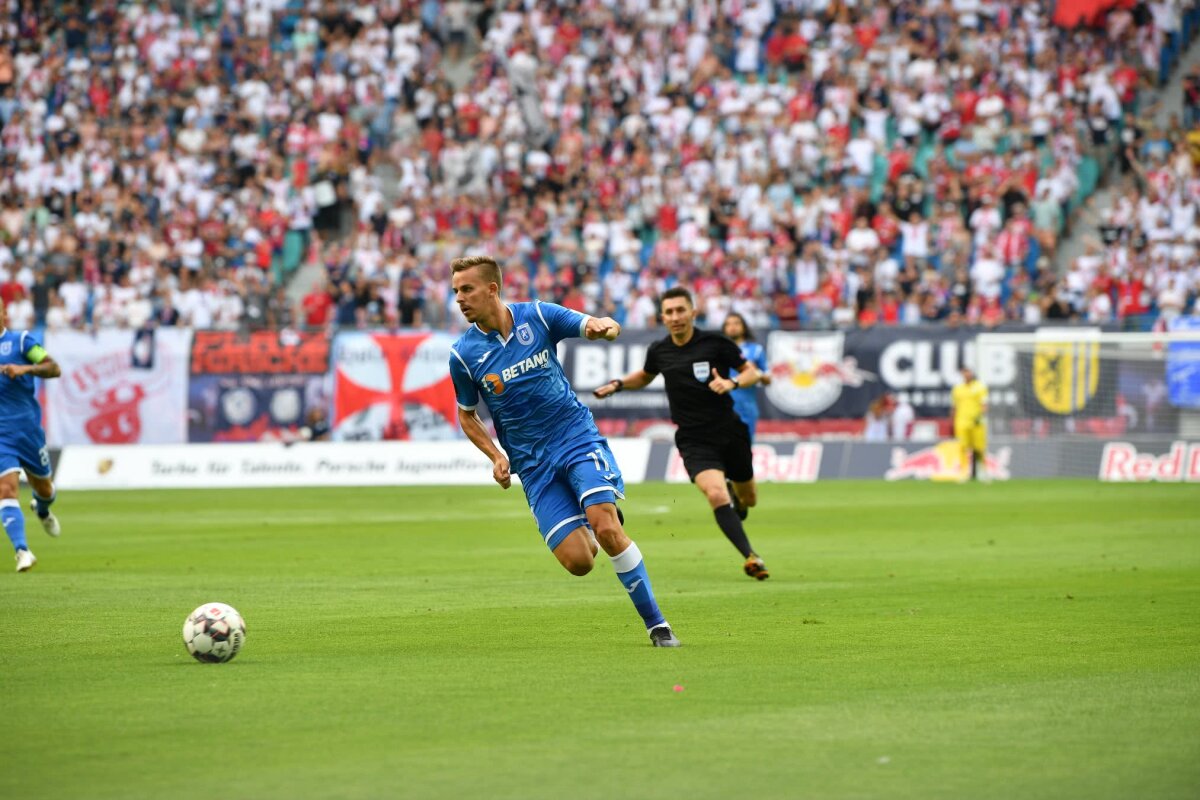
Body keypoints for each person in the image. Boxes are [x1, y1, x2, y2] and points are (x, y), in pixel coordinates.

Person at [447, 256, 679, 647]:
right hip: (532, 465)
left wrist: (602, 326)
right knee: (579, 562)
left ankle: (658, 626)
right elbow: (467, 416)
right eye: (455, 291)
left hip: (574, 436)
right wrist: (496, 456)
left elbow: (585, 323)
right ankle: (589, 519)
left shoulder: (537, 315)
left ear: (492, 289)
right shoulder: (463, 355)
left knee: (608, 528)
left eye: (466, 289)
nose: (459, 299)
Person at [594, 287, 769, 580]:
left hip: (730, 431)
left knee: (749, 499)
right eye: (669, 312)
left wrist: (732, 384)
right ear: (662, 317)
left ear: (692, 313)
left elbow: (751, 372)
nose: (675, 317)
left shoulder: (715, 343)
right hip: (694, 439)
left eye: (680, 310)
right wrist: (618, 384)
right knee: (715, 493)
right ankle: (751, 556)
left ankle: (737, 501)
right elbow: (645, 376)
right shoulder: (659, 351)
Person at [0, 300, 63, 571]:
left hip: (27, 430)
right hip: (1, 435)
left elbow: (53, 367)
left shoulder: (21, 341)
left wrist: (24, 369)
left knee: (45, 489)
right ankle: (22, 550)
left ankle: (42, 508)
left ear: (4, 313)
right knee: (6, 489)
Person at [721, 312, 772, 439]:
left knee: (745, 451)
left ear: (743, 327)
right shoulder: (718, 350)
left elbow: (768, 379)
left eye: (736, 323)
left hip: (746, 408)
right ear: (724, 329)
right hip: (722, 409)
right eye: (728, 324)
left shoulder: (756, 350)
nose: (732, 327)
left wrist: (755, 372)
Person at [950, 366, 989, 482]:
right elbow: (954, 407)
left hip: (977, 422)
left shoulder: (980, 387)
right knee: (962, 447)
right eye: (964, 372)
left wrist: (980, 416)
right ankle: (964, 472)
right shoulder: (957, 389)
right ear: (962, 374)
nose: (966, 374)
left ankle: (982, 471)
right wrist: (952, 421)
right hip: (961, 421)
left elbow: (984, 404)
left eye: (968, 372)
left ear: (972, 373)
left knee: (979, 448)